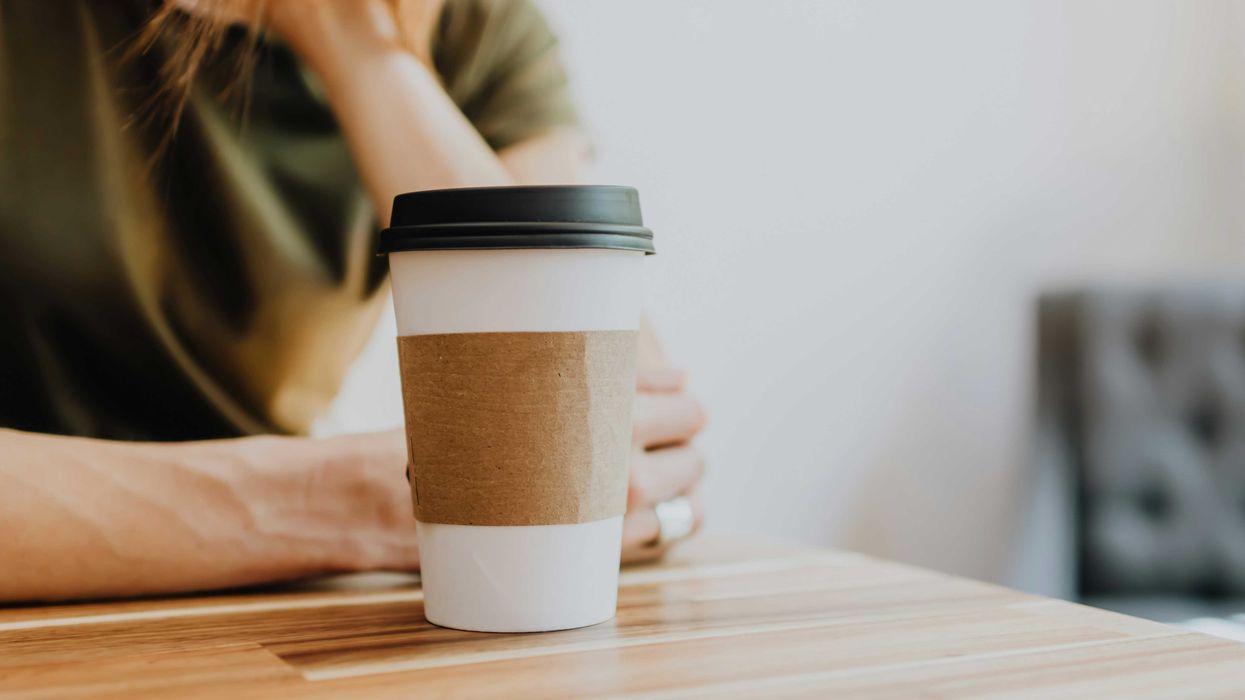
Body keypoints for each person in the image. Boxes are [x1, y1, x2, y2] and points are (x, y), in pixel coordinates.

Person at [0, 0, 706, 602]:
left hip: (271, 608)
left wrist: (358, 43)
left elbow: (620, 434)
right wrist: (339, 505)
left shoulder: (466, 23)